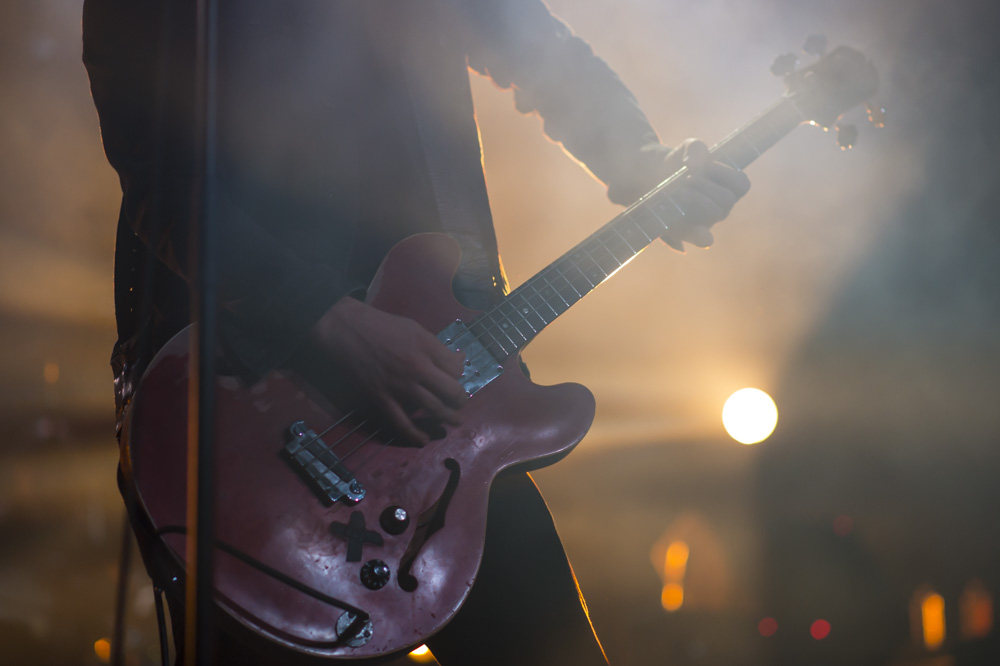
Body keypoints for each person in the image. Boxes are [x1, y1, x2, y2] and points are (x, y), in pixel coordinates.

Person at [84, 1, 750, 664]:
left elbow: (533, 44)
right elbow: (161, 181)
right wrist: (329, 320)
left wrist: (641, 157)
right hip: (252, 416)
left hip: (447, 408)